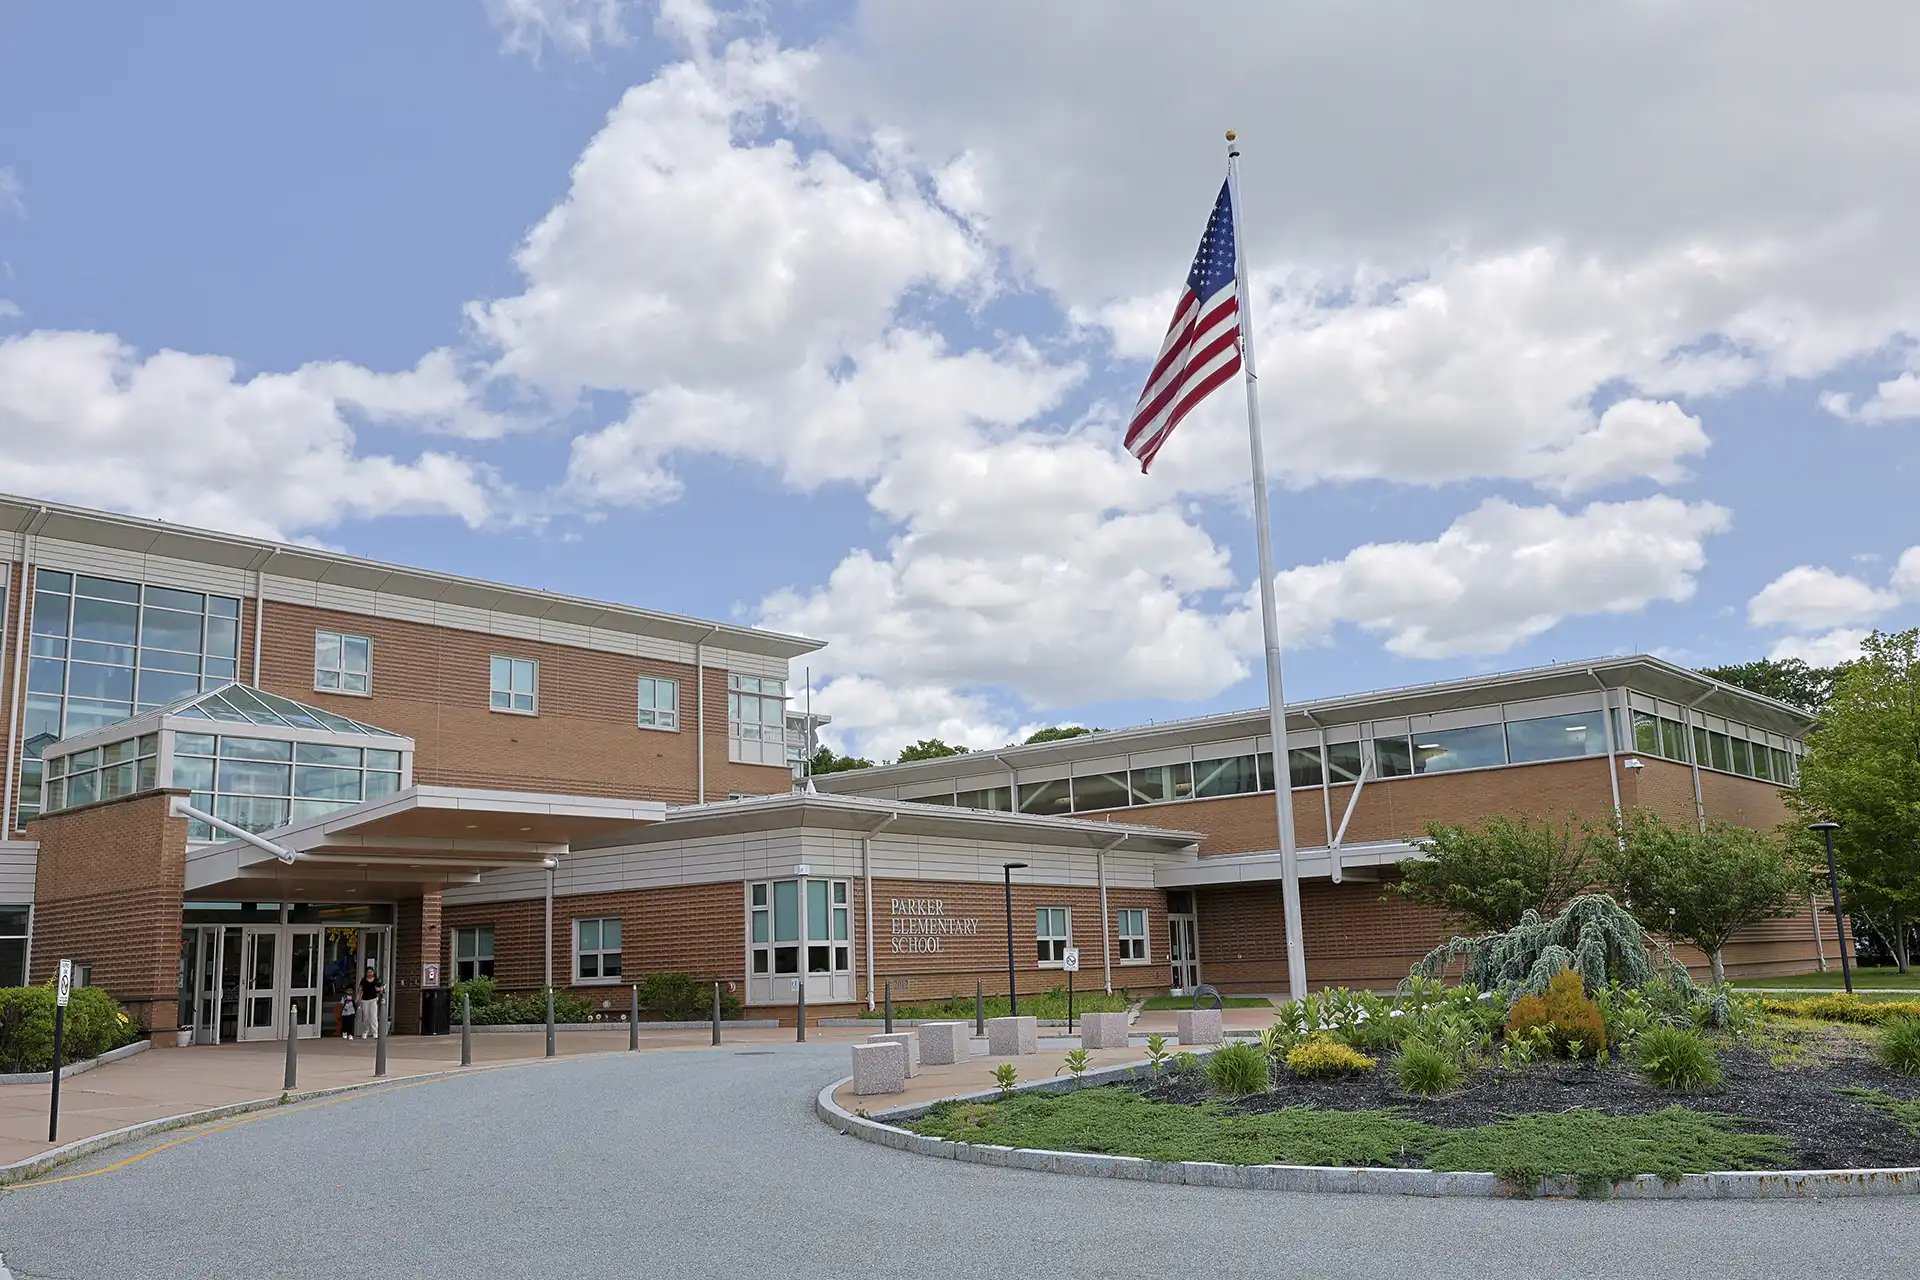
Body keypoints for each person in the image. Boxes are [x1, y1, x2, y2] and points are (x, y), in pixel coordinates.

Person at [357, 965, 384, 1040]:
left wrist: (381, 989)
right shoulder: (363, 980)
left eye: (371, 972)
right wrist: (357, 999)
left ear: (373, 972)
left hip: (373, 999)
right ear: (366, 973)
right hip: (365, 1000)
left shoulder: (376, 980)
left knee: (373, 1016)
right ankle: (365, 1032)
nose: (369, 974)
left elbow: (377, 988)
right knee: (366, 1017)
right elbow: (360, 990)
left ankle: (375, 1033)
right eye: (368, 972)